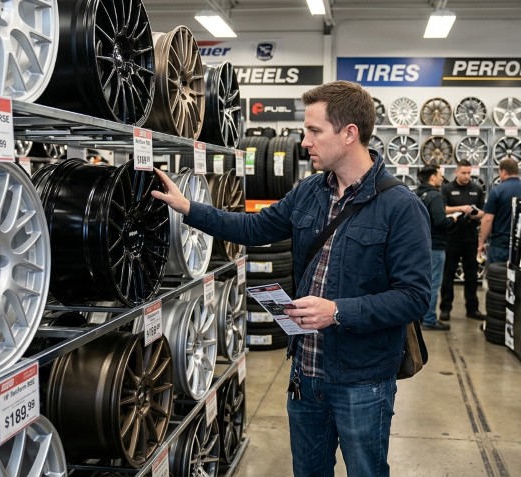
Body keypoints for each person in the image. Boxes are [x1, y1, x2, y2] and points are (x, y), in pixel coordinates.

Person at [151, 80, 431, 477]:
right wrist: (189, 208)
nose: (304, 141)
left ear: (349, 133)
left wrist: (337, 311)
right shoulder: (309, 192)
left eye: (314, 130)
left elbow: (414, 297)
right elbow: (254, 228)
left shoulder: (401, 206)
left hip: (362, 380)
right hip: (305, 373)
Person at [440, 160, 486, 321]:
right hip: (451, 238)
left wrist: (475, 214)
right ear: (457, 172)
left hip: (470, 239)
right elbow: (443, 209)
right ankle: (445, 309)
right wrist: (461, 208)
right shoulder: (447, 189)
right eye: (464, 173)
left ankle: (472, 309)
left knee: (472, 276)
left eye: (469, 173)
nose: (467, 176)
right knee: (448, 275)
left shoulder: (477, 189)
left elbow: (483, 212)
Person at [416, 164, 458, 331]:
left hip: (419, 245)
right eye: (440, 175)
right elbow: (441, 221)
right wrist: (453, 219)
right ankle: (429, 319)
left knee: (419, 282)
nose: (442, 178)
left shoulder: (418, 194)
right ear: (432, 177)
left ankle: (419, 316)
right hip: (435, 245)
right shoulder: (435, 196)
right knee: (432, 284)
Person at [477, 158, 521, 264]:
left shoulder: (497, 191)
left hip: (500, 245)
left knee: (497, 273)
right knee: (519, 274)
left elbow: (488, 219)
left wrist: (481, 243)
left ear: (503, 172)